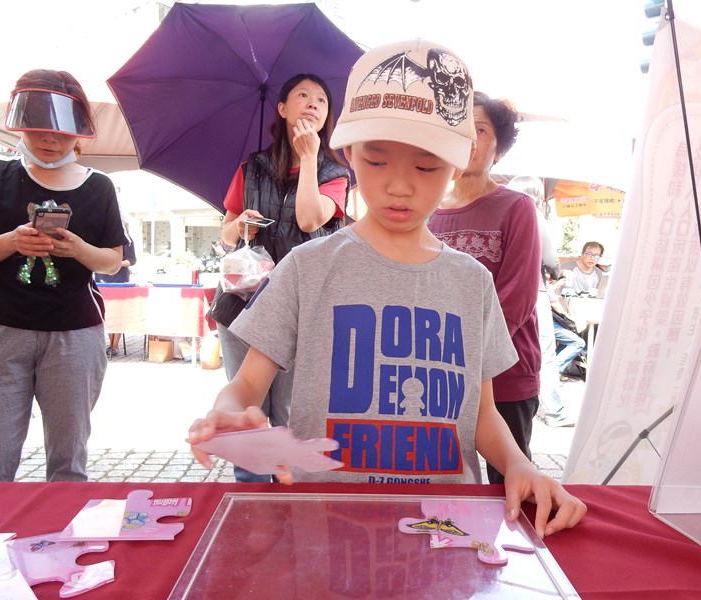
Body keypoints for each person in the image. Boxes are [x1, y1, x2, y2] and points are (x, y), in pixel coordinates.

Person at [188, 39, 586, 538]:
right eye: (376, 161)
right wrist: (229, 413)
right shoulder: (306, 268)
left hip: (446, 531)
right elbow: (246, 385)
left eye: (425, 166)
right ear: (348, 154)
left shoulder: (471, 281)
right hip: (327, 528)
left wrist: (520, 464)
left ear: (459, 161)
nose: (400, 186)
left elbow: (482, 413)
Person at [0, 69, 126, 482]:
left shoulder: (100, 187)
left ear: (79, 133)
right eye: (38, 128)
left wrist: (78, 249)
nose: (50, 139)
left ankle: (64, 542)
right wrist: (11, 242)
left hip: (76, 334)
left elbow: (113, 261)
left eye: (60, 130)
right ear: (21, 125)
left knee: (69, 462)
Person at [210, 72, 350, 483]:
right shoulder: (251, 167)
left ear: (327, 117)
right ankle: (251, 498)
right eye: (302, 96)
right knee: (248, 408)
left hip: (301, 306)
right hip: (241, 300)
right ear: (283, 109)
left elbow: (310, 219)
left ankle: (289, 498)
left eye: (321, 100)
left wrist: (309, 158)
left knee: (289, 412)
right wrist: (241, 226)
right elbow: (226, 227)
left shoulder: (334, 173)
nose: (312, 103)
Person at [427, 94, 542, 483]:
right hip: (437, 377)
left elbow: (518, 300)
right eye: (461, 129)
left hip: (505, 376)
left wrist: (466, 358)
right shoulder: (427, 212)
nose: (471, 140)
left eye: (481, 130)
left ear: (500, 148)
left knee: (508, 483)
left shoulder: (516, 207)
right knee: (445, 486)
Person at [505, 175, 575, 427]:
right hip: (534, 293)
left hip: (503, 291)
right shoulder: (533, 213)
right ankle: (555, 411)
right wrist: (557, 274)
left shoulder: (502, 212)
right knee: (544, 352)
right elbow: (551, 261)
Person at [95, 222, 136, 357]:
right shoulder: (100, 239)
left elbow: (132, 260)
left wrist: (115, 264)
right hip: (101, 279)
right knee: (106, 312)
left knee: (117, 312)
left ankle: (114, 346)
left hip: (119, 280)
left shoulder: (127, 241)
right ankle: (107, 344)